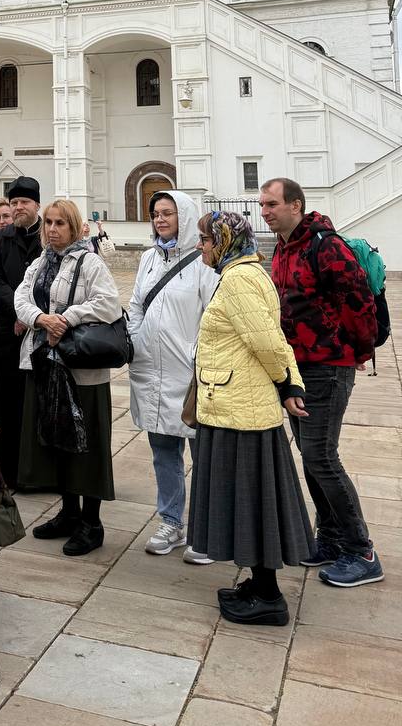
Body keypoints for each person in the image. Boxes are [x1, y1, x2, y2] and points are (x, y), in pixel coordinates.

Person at [189, 210, 313, 627]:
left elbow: (265, 341)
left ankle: (269, 595)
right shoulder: (243, 272)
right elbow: (271, 338)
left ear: (223, 241)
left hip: (239, 410)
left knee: (251, 499)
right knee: (251, 498)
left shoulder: (240, 279)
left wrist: (288, 384)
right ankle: (260, 586)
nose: (201, 246)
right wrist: (289, 383)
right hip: (237, 403)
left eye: (205, 239)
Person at [260, 177, 383, 588]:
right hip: (295, 369)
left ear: (296, 205)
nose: (265, 211)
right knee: (311, 457)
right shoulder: (283, 246)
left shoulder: (325, 246)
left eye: (272, 204)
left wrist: (355, 352)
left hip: (327, 366)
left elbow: (360, 301)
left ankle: (361, 551)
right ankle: (329, 538)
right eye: (262, 205)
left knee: (321, 456)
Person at [15, 198, 120, 556]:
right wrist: (42, 319)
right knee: (58, 439)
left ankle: (92, 522)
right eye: (48, 222)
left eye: (60, 223)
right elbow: (21, 298)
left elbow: (108, 303)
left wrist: (68, 317)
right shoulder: (41, 262)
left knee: (86, 444)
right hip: (47, 363)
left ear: (74, 227)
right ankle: (69, 513)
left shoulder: (90, 262)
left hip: (81, 370)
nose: (52, 229)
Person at [128, 190, 219, 562]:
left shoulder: (203, 261)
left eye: (168, 213)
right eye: (155, 213)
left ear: (184, 216)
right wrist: (136, 339)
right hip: (151, 370)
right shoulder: (149, 258)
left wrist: (198, 356)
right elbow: (135, 304)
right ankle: (171, 521)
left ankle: (206, 529)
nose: (161, 219)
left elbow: (213, 313)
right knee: (163, 452)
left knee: (203, 454)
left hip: (189, 374)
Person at [0, 177, 43, 486]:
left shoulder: (48, 236)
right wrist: (19, 312)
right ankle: (2, 472)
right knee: (5, 402)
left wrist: (33, 316)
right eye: (14, 202)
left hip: (42, 332)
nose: (18, 207)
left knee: (37, 403)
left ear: (36, 205)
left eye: (24, 202)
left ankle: (36, 473)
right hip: (8, 331)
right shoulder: (0, 239)